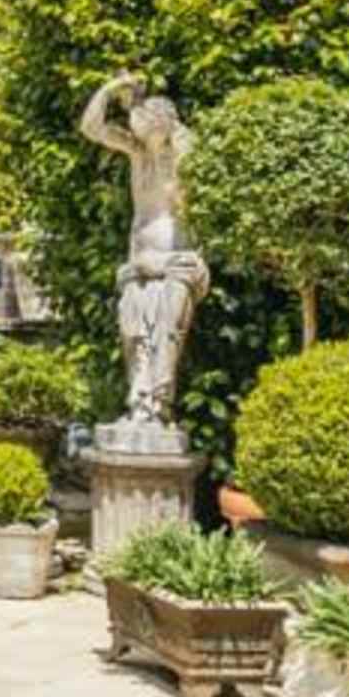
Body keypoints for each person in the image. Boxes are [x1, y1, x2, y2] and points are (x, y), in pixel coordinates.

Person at [79, 73, 209, 439]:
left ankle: (157, 408)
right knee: (132, 335)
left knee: (166, 335)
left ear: (165, 124)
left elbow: (196, 211)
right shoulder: (136, 153)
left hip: (174, 266)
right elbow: (92, 127)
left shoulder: (184, 154)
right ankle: (139, 405)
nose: (137, 131)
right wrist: (110, 87)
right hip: (137, 265)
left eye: (145, 123)